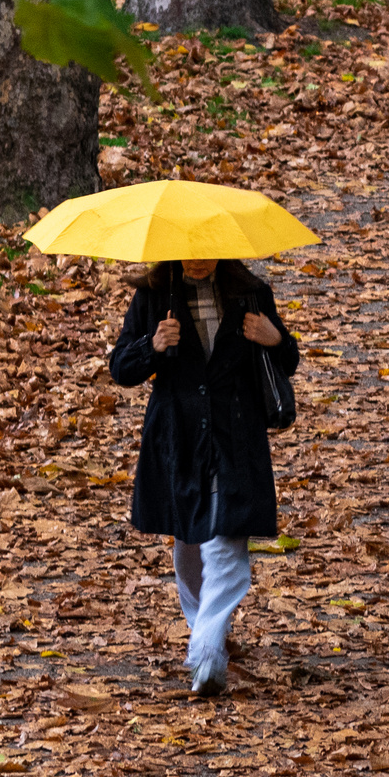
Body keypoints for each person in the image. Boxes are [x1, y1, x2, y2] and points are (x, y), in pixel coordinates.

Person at [108, 257, 299, 696]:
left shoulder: (250, 291)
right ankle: (202, 630)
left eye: (207, 251)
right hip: (178, 439)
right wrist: (151, 346)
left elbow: (287, 361)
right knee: (190, 544)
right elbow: (121, 368)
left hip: (236, 435)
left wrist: (275, 338)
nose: (198, 261)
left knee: (227, 542)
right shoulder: (155, 294)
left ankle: (207, 651)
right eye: (190, 251)